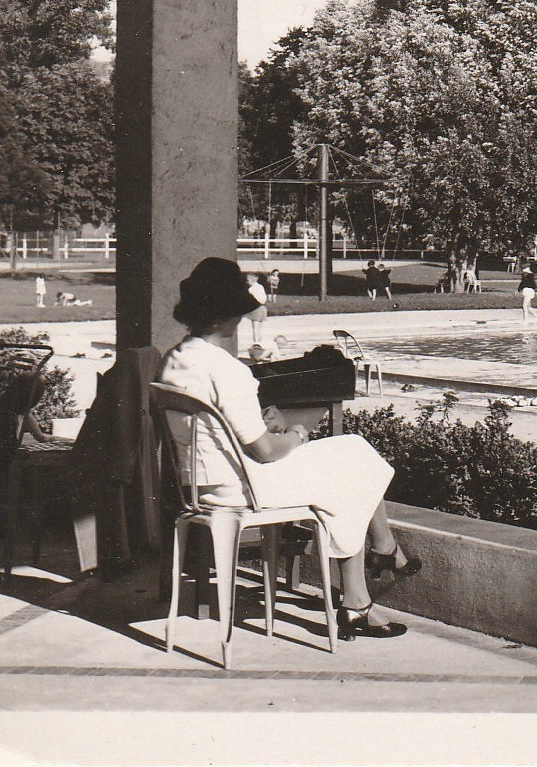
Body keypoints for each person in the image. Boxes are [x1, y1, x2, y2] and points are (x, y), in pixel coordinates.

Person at [156, 257, 411, 641]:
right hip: (242, 488)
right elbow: (264, 451)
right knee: (354, 460)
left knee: (353, 453)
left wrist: (263, 425)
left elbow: (212, 426)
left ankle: (374, 568)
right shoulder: (228, 370)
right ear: (230, 316)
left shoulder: (175, 360)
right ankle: (366, 583)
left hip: (198, 485)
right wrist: (295, 434)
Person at [244, 272, 268, 349]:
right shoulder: (260, 286)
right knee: (259, 329)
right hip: (263, 307)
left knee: (255, 328)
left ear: (252, 280)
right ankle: (260, 343)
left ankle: (256, 344)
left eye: (247, 280)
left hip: (256, 308)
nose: (247, 282)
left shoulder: (251, 289)